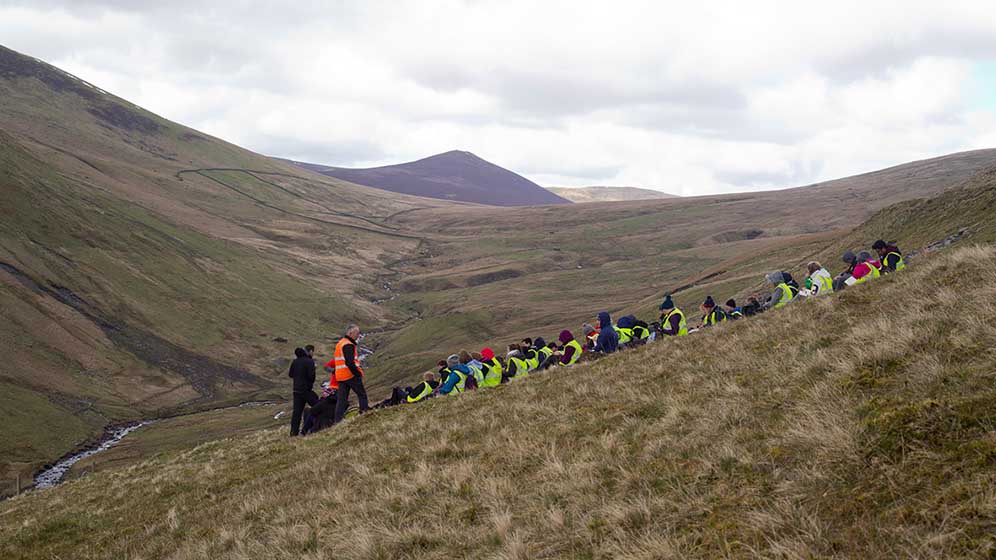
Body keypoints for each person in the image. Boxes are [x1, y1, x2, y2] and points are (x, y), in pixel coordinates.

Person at [332, 324, 370, 423]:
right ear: (350, 333)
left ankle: (337, 421)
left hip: (340, 376)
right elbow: (349, 362)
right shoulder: (348, 344)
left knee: (341, 401)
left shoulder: (340, 343)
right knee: (362, 395)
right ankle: (364, 416)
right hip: (350, 375)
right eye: (357, 333)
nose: (358, 335)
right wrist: (357, 373)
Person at [288, 347, 318, 436]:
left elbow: (290, 374)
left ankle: (293, 432)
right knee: (318, 406)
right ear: (309, 352)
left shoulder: (295, 361)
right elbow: (311, 377)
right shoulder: (309, 361)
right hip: (306, 390)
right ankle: (317, 425)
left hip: (296, 390)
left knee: (296, 413)